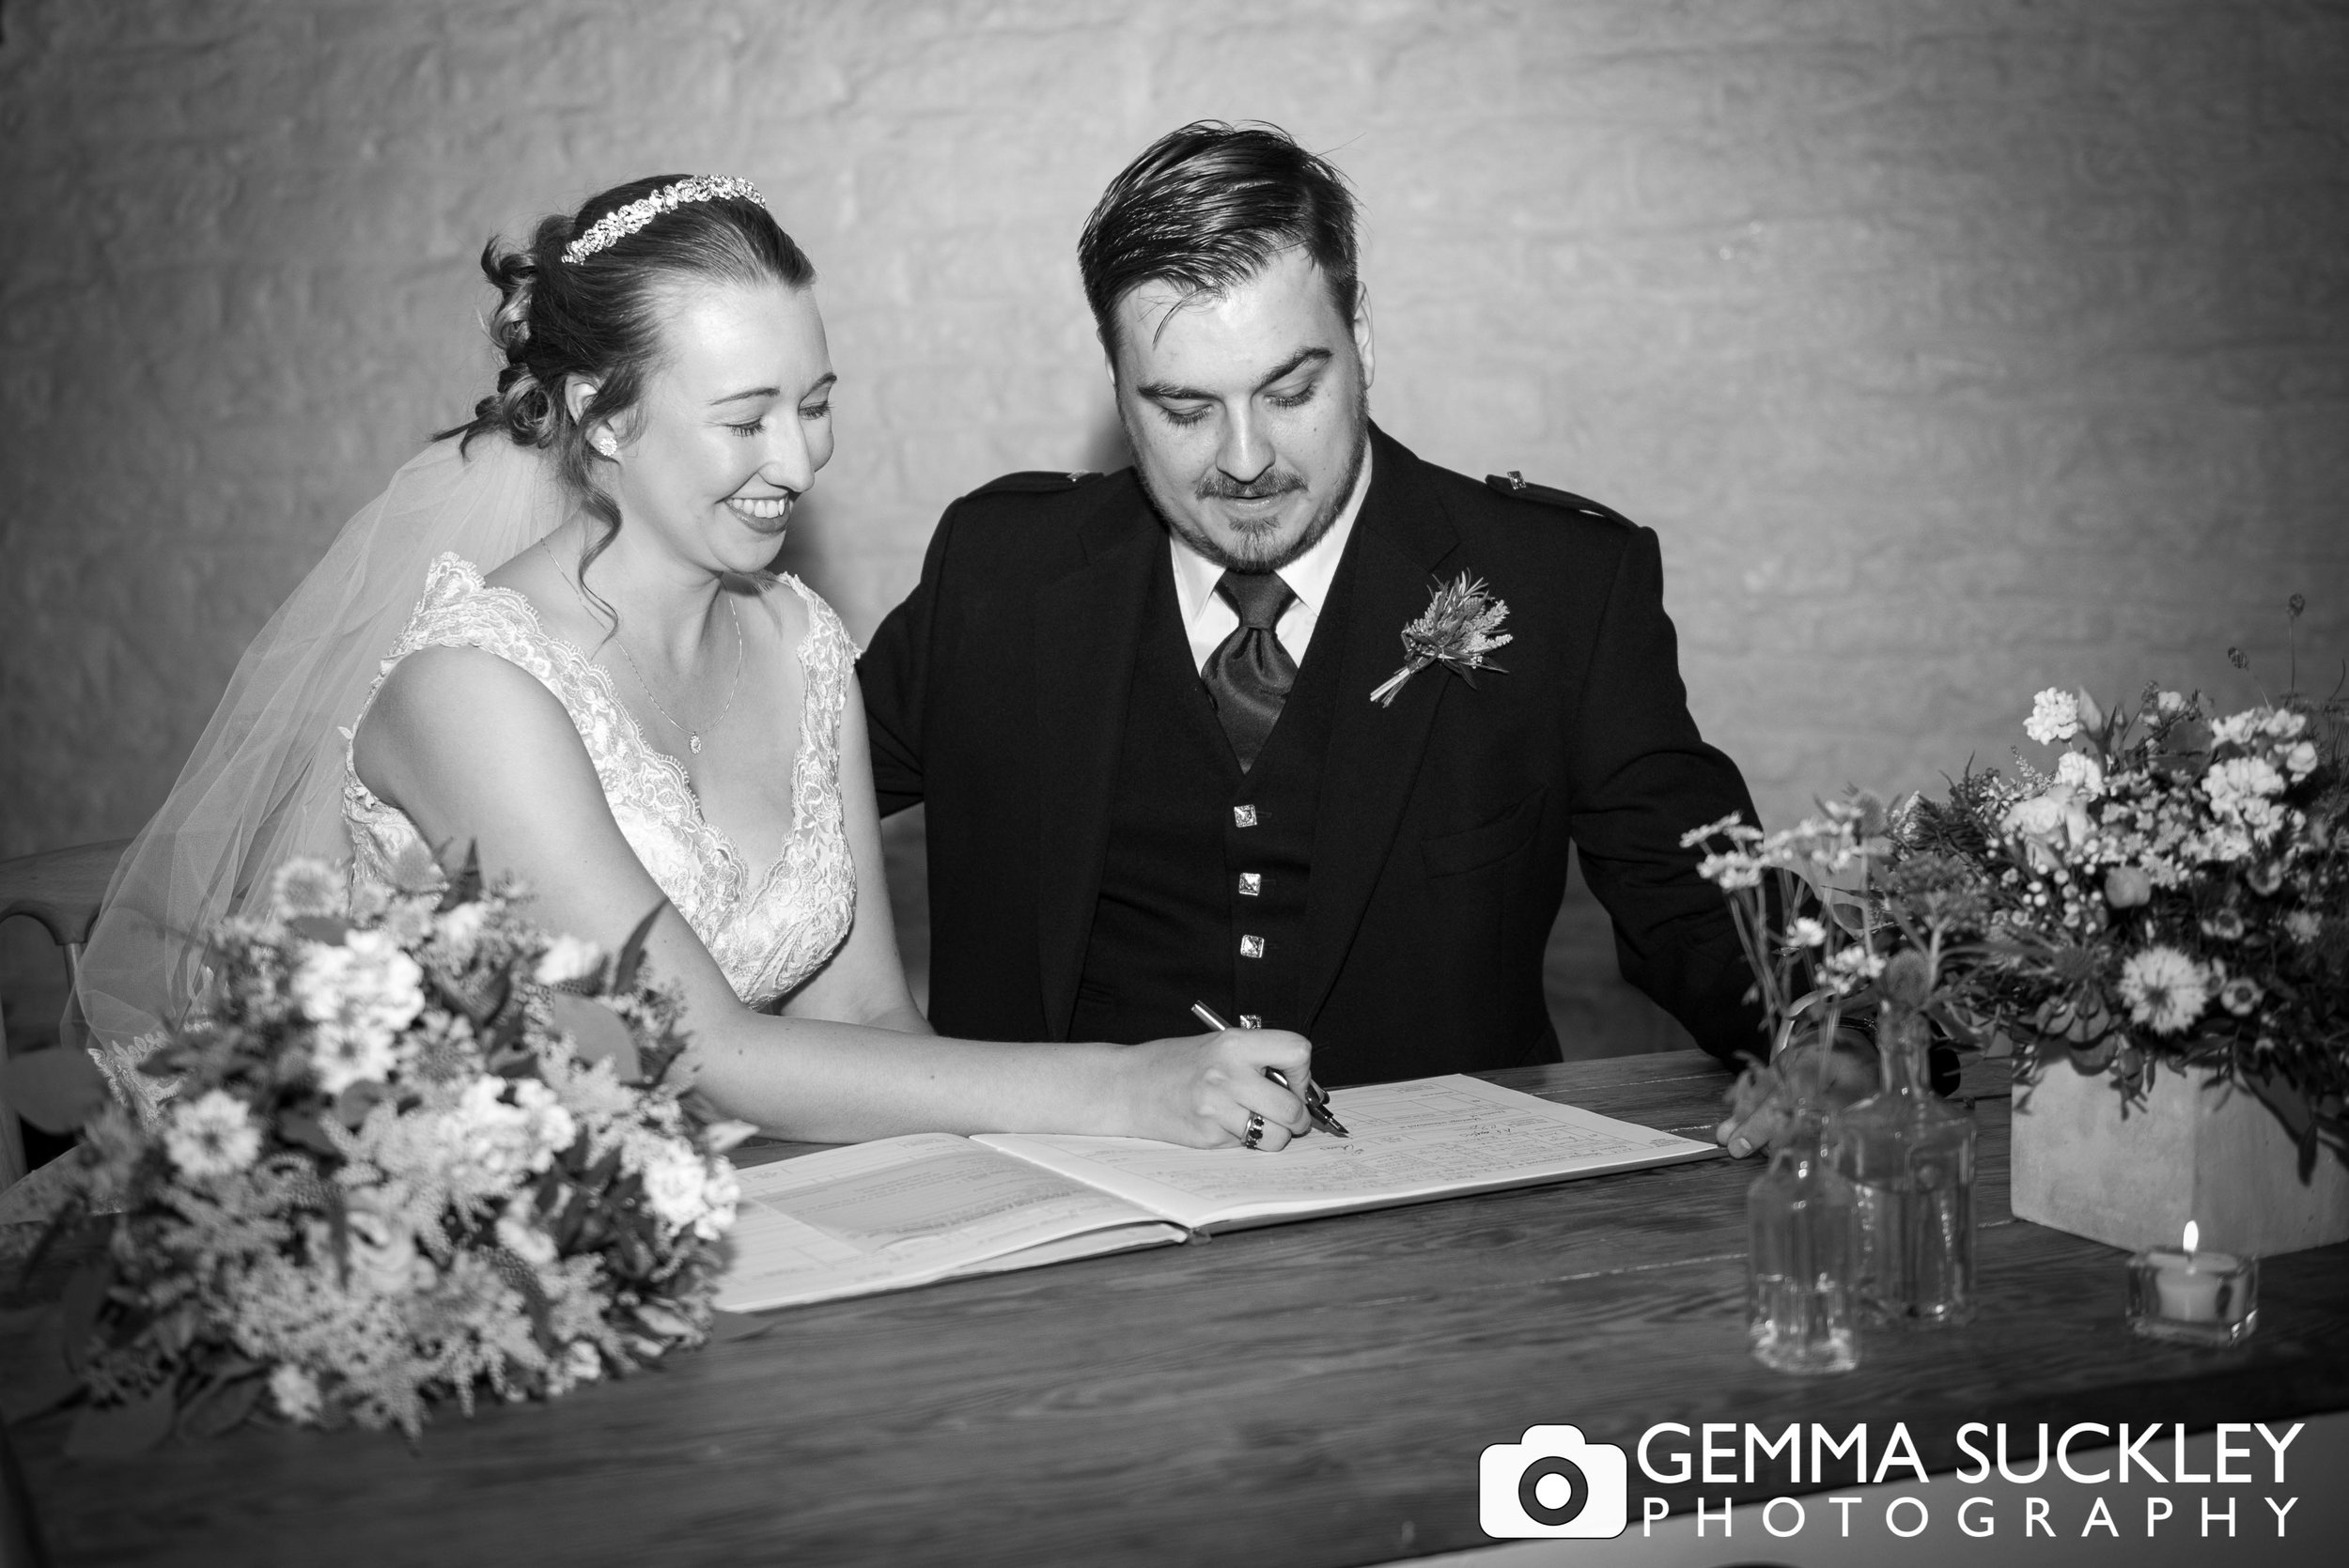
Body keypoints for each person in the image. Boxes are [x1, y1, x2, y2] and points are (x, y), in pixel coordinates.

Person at [76, 174, 1313, 1151]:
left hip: (733, 1214)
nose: (799, 457)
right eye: (744, 418)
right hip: (447, 1234)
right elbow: (701, 1046)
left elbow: (866, 1022)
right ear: (603, 415)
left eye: (815, 402)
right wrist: (1122, 1089)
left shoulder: (805, 645)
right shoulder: (474, 690)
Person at [859, 123, 1766, 1089]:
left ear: (1359, 337)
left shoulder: (1562, 584)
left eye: (1289, 391)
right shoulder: (997, 571)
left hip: (1438, 1214)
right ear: (1117, 388)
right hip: (1063, 1204)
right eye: (1183, 409)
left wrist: (1828, 1033)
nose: (1245, 460)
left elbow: (1703, 898)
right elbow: (777, 822)